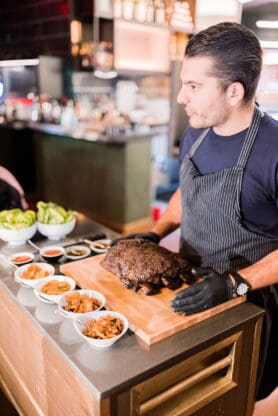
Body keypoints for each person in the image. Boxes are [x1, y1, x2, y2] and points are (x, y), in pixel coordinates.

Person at [116, 22, 278, 403]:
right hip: (189, 287)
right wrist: (156, 233)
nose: (179, 97)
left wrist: (235, 282)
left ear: (234, 91)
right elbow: (188, 191)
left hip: (249, 304)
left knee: (231, 400)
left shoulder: (273, 151)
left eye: (193, 86)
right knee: (185, 397)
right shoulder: (196, 131)